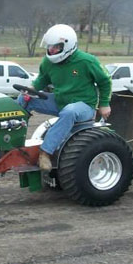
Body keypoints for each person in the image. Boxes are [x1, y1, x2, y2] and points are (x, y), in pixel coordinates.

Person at [17, 24, 112, 171]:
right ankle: (13, 143)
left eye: (55, 47)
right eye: (49, 47)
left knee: (69, 111)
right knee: (24, 99)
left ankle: (45, 152)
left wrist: (104, 103)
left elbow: (105, 81)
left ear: (68, 45)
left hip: (84, 106)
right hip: (60, 101)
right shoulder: (48, 62)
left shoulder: (87, 61)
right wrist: (31, 91)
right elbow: (42, 80)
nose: (51, 50)